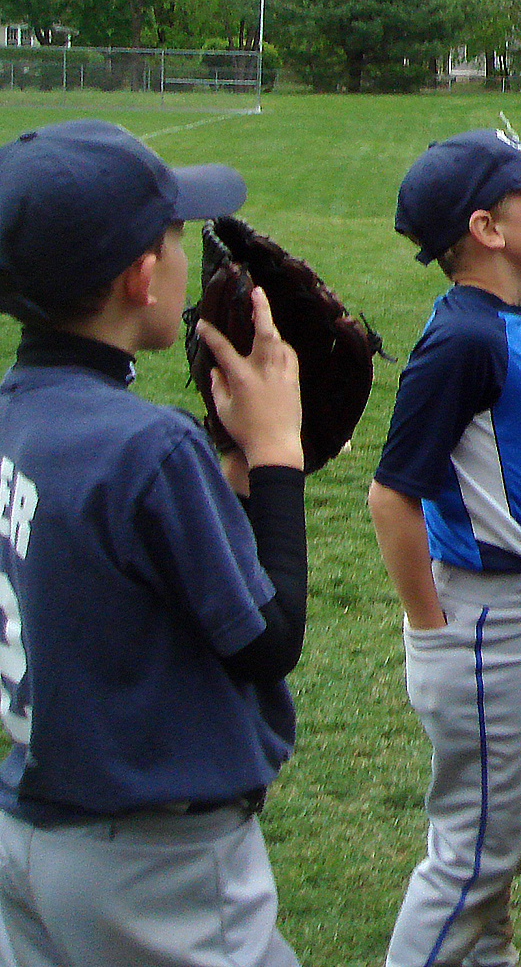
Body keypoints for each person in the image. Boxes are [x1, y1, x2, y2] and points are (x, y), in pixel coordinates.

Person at [0, 119, 308, 967]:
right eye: (177, 240)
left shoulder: (17, 410)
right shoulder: (150, 448)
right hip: (155, 863)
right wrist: (278, 455)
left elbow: (114, 564)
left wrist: (230, 479)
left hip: (36, 825)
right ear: (142, 277)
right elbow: (266, 641)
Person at [369, 128, 521, 967]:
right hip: (475, 626)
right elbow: (392, 496)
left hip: (516, 603)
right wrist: (432, 631)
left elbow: (501, 453)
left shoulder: (501, 318)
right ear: (487, 230)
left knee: (500, 835)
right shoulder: (464, 338)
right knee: (472, 856)